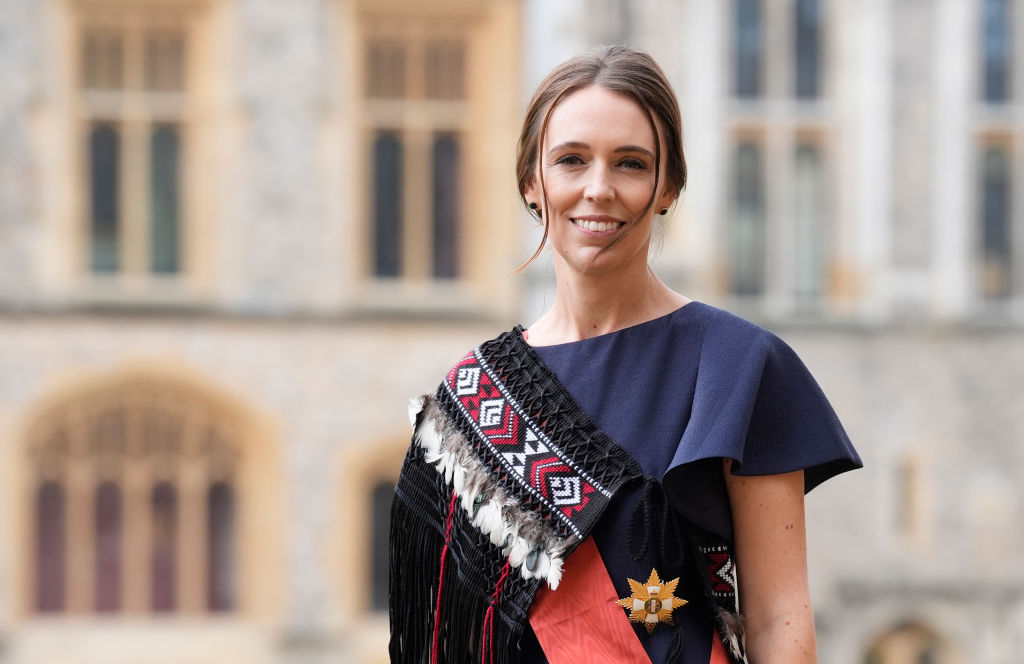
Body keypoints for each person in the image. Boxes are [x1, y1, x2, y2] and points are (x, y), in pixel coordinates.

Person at [389, 45, 861, 664]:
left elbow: (779, 619)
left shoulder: (738, 367)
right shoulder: (471, 397)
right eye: (571, 160)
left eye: (631, 164)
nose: (598, 188)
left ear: (667, 186)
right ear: (534, 183)